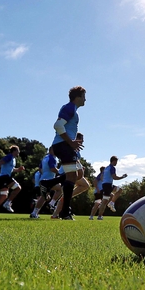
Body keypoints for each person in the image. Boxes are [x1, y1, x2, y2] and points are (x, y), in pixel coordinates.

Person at [50, 86, 86, 220]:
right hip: (63, 145)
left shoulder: (72, 109)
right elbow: (57, 125)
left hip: (62, 145)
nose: (85, 100)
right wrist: (70, 142)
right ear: (78, 97)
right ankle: (65, 213)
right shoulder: (69, 108)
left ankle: (47, 184)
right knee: (72, 177)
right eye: (84, 96)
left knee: (74, 175)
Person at [0, 146, 25, 217]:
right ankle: (8, 203)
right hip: (5, 177)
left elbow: (11, 169)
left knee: (4, 195)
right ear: (14, 151)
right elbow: (0, 163)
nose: (19, 152)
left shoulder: (13, 159)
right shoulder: (9, 157)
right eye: (18, 150)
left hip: (2, 178)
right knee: (18, 188)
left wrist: (18, 169)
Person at [32, 147, 63, 219]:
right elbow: (52, 169)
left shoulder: (45, 158)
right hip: (49, 180)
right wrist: (61, 172)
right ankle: (52, 203)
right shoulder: (52, 158)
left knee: (43, 197)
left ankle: (34, 213)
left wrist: (44, 174)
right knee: (61, 188)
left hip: (43, 179)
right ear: (51, 150)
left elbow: (40, 169)